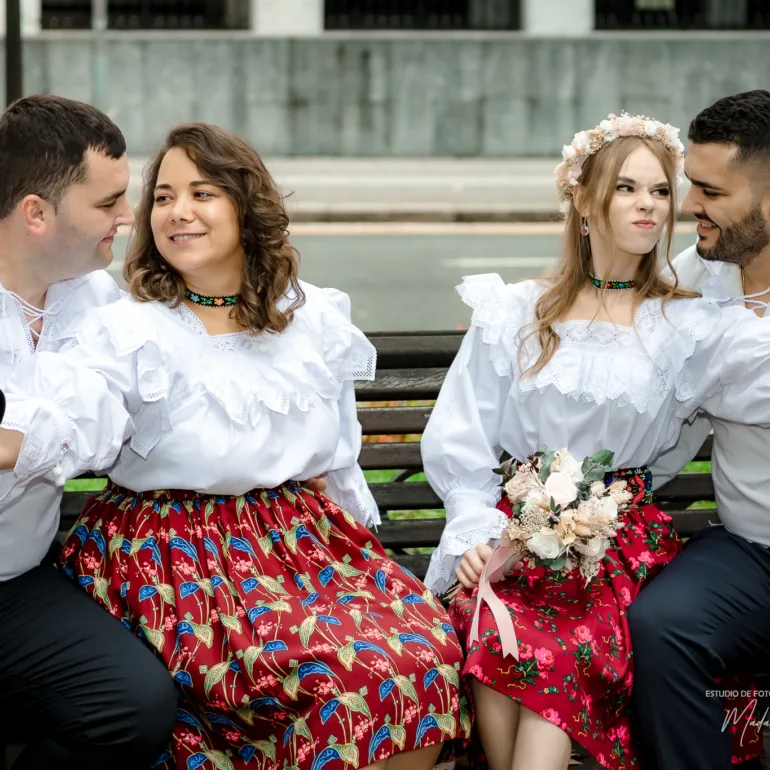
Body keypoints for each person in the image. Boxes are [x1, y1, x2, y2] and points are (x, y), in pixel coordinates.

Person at [0, 122, 470, 770]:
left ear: (246, 206)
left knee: (424, 653)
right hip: (175, 552)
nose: (173, 211)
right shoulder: (126, 326)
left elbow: (337, 460)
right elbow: (75, 419)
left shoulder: (312, 321)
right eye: (163, 197)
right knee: (339, 676)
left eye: (201, 192)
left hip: (300, 545)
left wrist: (361, 573)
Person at [419, 112, 770, 770]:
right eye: (627, 188)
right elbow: (461, 436)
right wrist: (476, 532)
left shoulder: (687, 323)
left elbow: (725, 397)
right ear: (583, 199)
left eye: (662, 191)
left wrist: (604, 501)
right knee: (498, 624)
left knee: (552, 647)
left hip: (617, 546)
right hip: (510, 531)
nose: (651, 205)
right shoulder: (515, 311)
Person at [0, 94, 178, 770]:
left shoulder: (97, 298)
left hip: (13, 584)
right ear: (36, 212)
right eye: (108, 203)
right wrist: (46, 428)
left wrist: (16, 435)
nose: (130, 217)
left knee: (135, 705)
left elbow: (105, 431)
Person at [631, 89, 770, 770]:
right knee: (663, 625)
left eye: (710, 191)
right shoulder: (695, 278)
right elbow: (655, 409)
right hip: (751, 554)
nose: (688, 208)